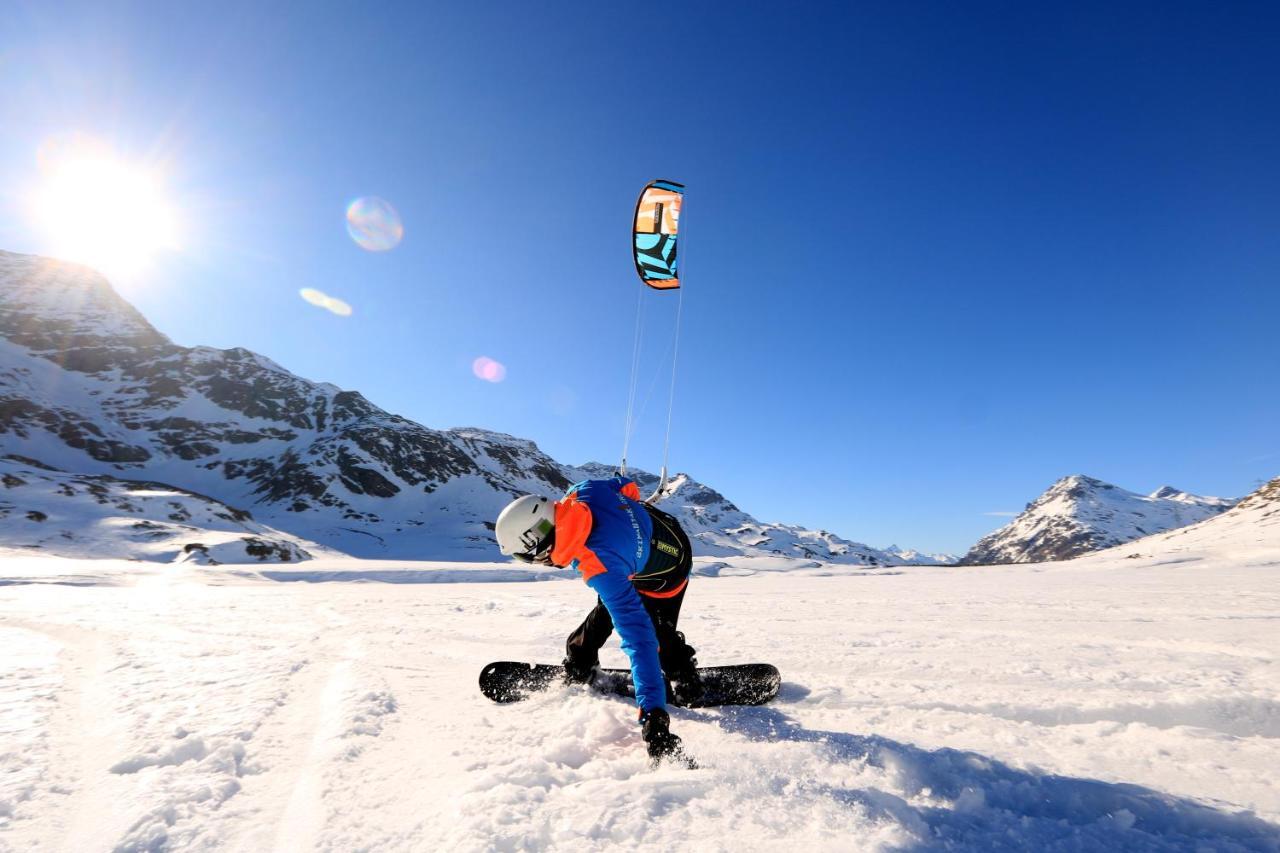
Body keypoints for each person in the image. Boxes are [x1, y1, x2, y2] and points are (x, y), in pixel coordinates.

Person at [495, 476, 699, 763]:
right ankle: (580, 662)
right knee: (609, 607)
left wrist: (654, 717)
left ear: (539, 544)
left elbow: (639, 640)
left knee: (656, 634)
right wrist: (626, 514)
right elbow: (626, 486)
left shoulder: (602, 567)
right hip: (651, 539)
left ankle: (682, 672)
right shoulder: (584, 490)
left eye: (528, 558)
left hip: (666, 573)